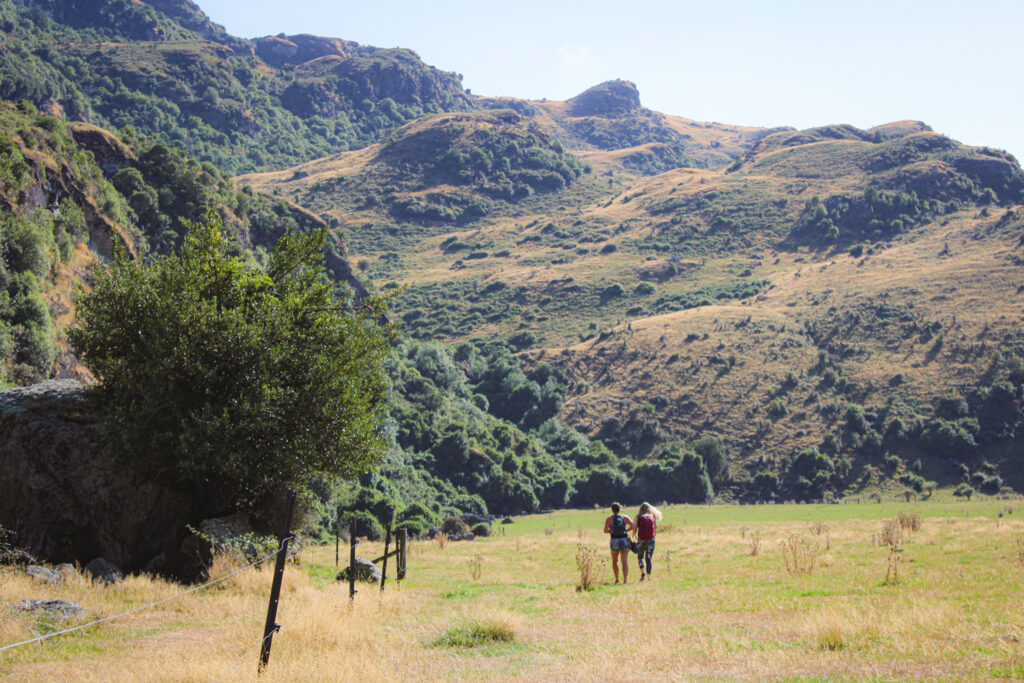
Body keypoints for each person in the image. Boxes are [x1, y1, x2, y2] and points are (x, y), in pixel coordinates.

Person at [603, 502, 635, 584]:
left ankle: (617, 579)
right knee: (624, 561)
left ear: (612, 510)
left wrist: (611, 530)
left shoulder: (609, 519)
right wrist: (626, 530)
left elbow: (605, 531)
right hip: (624, 540)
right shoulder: (625, 517)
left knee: (615, 561)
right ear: (620, 509)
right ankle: (625, 580)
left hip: (614, 540)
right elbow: (633, 526)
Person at [633, 502, 662, 581]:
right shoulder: (652, 517)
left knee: (640, 557)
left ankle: (643, 574)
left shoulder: (638, 517)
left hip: (641, 540)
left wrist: (634, 535)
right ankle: (649, 576)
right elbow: (655, 527)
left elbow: (634, 528)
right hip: (651, 540)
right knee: (648, 557)